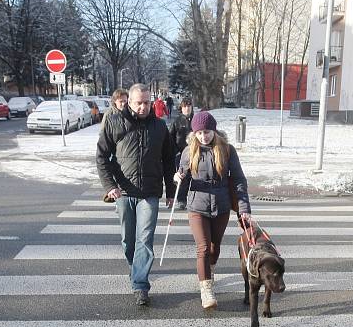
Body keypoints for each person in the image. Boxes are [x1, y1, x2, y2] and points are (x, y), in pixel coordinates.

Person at [96, 83, 176, 306]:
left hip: (149, 193)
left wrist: (170, 190)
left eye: (147, 103)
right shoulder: (114, 122)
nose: (143, 107)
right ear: (129, 102)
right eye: (138, 103)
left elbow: (169, 161)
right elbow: (102, 157)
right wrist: (109, 185)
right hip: (123, 191)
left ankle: (140, 284)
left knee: (145, 239)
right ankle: (135, 268)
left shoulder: (160, 127)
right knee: (128, 240)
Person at [175, 111, 252, 309]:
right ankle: (206, 289)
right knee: (202, 248)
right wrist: (179, 179)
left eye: (207, 132)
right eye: (199, 133)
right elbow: (182, 185)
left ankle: (208, 270)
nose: (203, 136)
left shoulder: (227, 150)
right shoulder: (188, 151)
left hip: (222, 206)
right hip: (197, 206)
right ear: (194, 133)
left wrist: (243, 208)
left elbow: (239, 180)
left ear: (214, 130)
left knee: (214, 247)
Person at [168, 97, 195, 210]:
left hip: (195, 153)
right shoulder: (177, 121)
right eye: (185, 107)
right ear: (181, 108)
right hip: (181, 153)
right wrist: (175, 152)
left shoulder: (196, 119)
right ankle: (181, 199)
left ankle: (195, 199)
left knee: (195, 177)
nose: (187, 109)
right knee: (182, 177)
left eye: (189, 106)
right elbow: (170, 137)